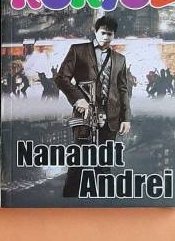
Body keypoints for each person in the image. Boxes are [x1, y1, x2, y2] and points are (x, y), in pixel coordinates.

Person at [55, 15, 131, 197]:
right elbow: (61, 77)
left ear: (114, 35)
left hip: (111, 117)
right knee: (78, 160)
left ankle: (102, 199)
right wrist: (78, 99)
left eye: (110, 34)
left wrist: (126, 118)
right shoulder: (78, 50)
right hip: (85, 115)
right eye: (103, 33)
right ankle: (69, 199)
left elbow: (123, 90)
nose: (106, 37)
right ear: (95, 32)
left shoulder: (120, 59)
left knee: (104, 163)